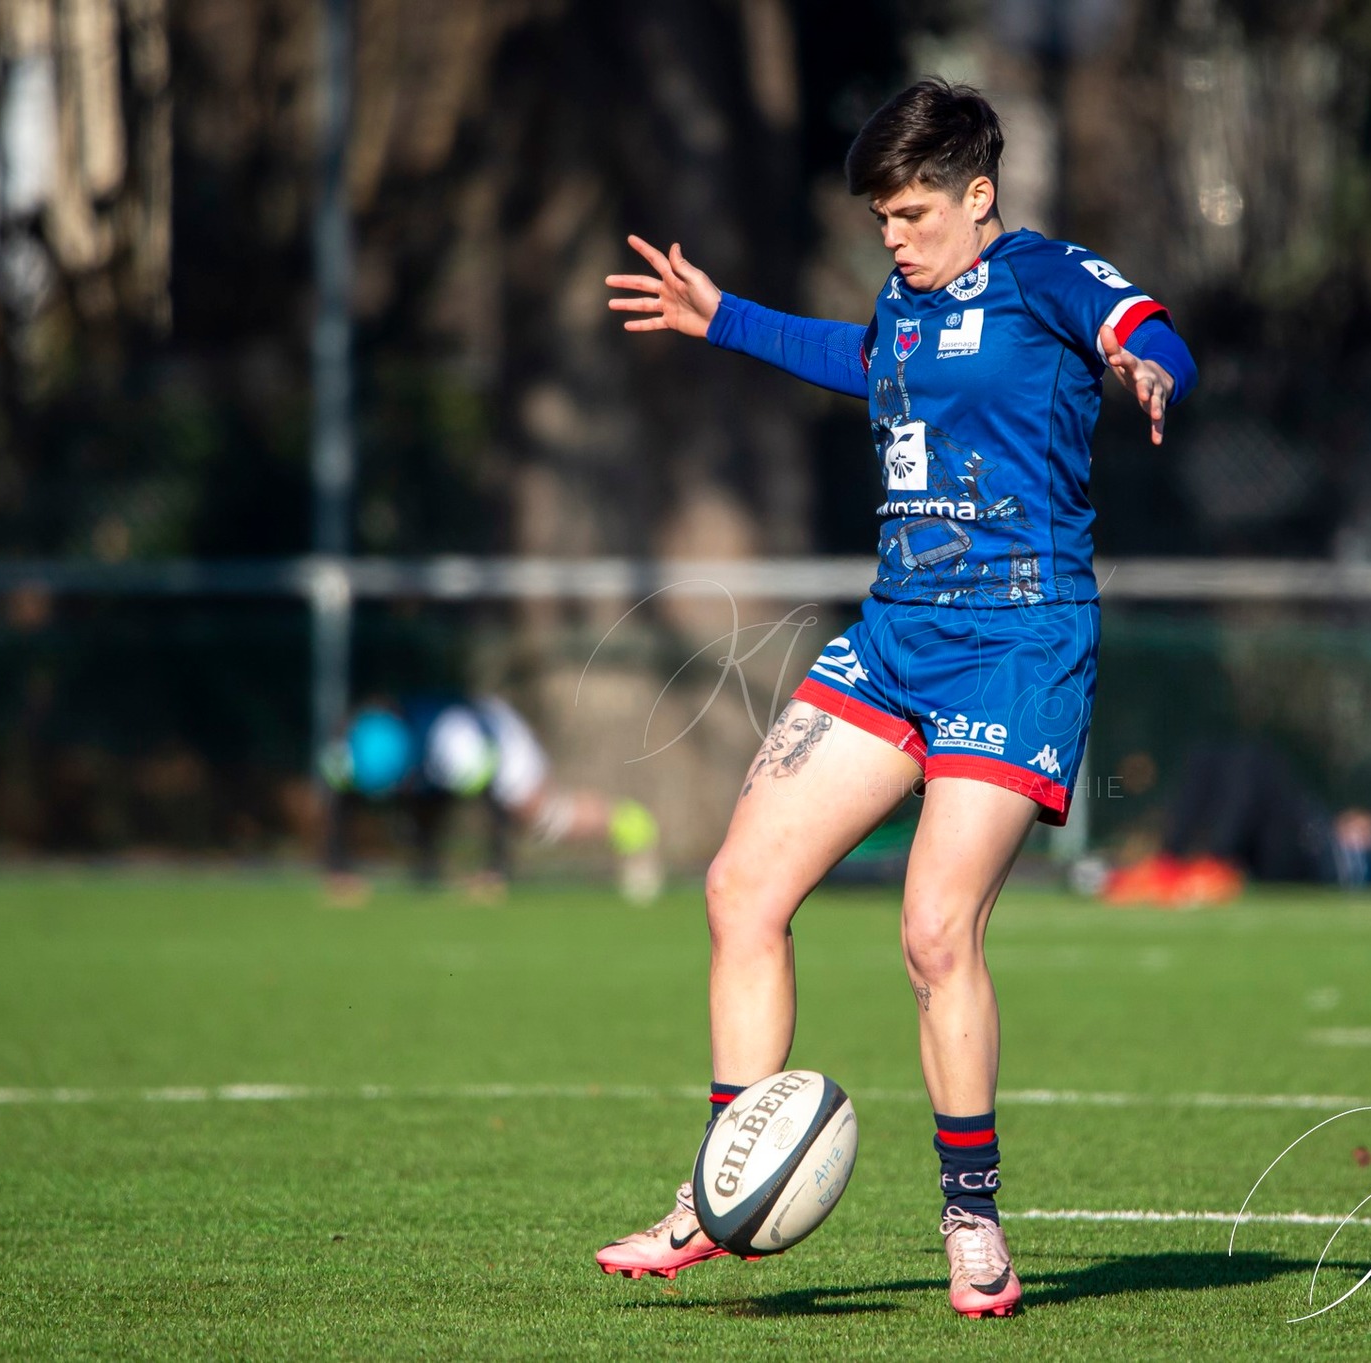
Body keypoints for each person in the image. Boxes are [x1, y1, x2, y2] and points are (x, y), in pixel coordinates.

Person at [595, 80, 1195, 1317]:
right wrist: (721, 317)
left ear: (977, 196)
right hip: (893, 639)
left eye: (912, 213)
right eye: (879, 217)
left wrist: (1146, 366)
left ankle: (971, 1219)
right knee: (739, 888)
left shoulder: (1038, 275)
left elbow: (1143, 324)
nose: (893, 236)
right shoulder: (902, 302)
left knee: (933, 930)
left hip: (1018, 643)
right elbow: (860, 357)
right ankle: (720, 1192)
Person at [321, 694, 662, 905]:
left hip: (500, 737)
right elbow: (340, 800)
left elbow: (493, 802)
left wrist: (494, 872)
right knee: (423, 810)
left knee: (542, 818)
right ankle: (430, 867)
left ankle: (631, 824)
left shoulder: (455, 744)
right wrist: (338, 871)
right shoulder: (358, 746)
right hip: (445, 751)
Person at [1099, 739, 1371, 906]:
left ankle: (1212, 865)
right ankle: (1169, 864)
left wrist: (1369, 842)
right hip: (1315, 845)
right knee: (1209, 755)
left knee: (1258, 765)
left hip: (1321, 862)